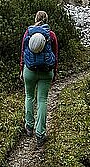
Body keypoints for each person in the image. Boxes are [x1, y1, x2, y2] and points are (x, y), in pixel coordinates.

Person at [20, 10, 59, 147]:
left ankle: (29, 126)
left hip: (29, 70)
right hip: (46, 72)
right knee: (42, 100)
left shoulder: (28, 32)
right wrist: (54, 72)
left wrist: (22, 69)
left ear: (35, 18)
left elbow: (23, 52)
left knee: (29, 97)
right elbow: (55, 55)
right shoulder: (51, 35)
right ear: (46, 20)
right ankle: (40, 133)